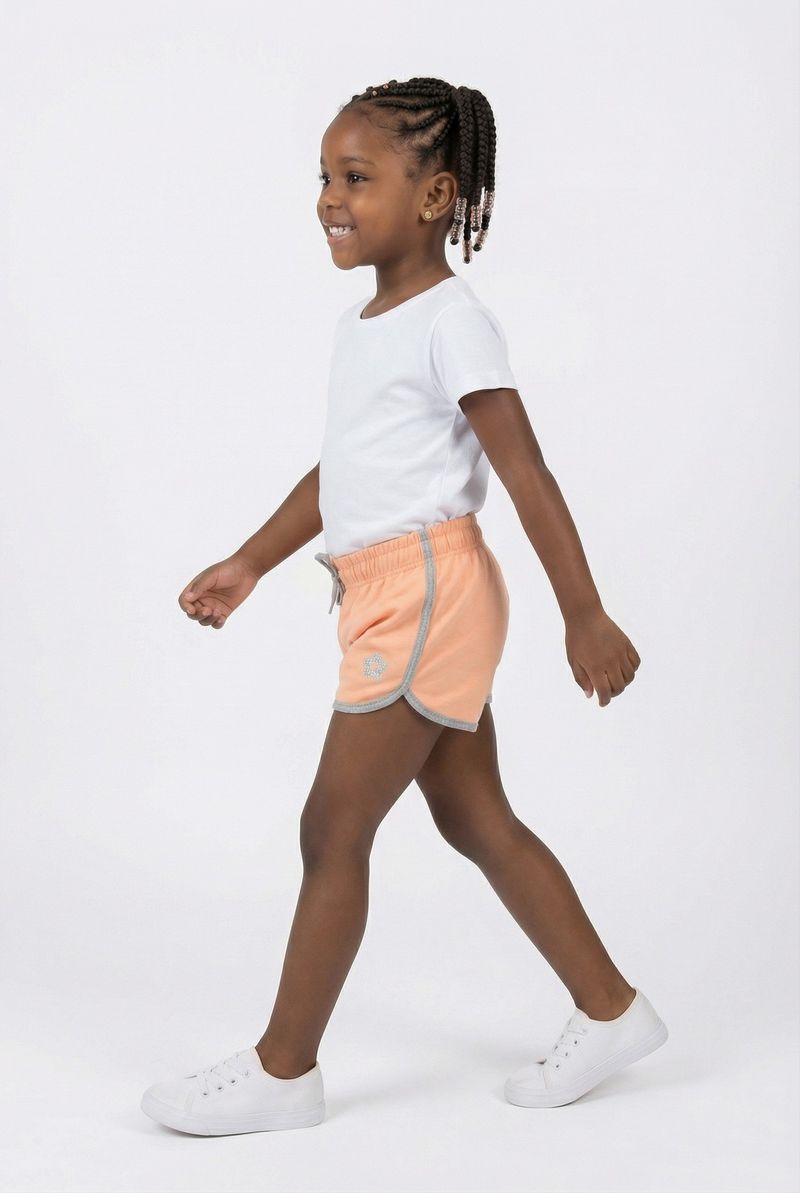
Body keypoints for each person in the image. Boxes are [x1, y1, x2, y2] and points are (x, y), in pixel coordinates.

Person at [141, 76, 667, 1136]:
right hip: (388, 590)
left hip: (426, 592)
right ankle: (611, 1008)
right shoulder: (365, 322)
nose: (329, 199)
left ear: (434, 197)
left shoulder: (451, 322)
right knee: (473, 816)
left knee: (332, 824)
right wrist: (250, 562)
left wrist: (584, 612)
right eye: (323, 178)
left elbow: (525, 471)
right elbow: (344, 471)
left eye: (356, 177)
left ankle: (284, 1070)